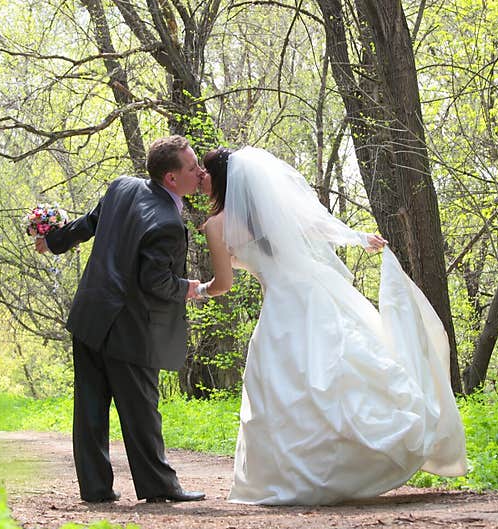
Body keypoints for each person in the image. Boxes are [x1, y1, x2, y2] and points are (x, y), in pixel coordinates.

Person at [194, 146, 467, 505]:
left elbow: (223, 284)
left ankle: (294, 475)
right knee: (339, 370)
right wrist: (358, 237)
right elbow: (316, 227)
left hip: (281, 304)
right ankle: (364, 450)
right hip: (315, 292)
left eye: (205, 172)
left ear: (222, 180)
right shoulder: (270, 213)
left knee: (285, 385)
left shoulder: (216, 226)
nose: (201, 177)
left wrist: (195, 290)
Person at [35, 135, 206, 504]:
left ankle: (96, 490)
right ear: (171, 179)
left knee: (90, 408)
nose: (200, 172)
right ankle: (159, 485)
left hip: (89, 314)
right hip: (129, 328)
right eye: (192, 167)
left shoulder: (121, 187)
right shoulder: (168, 223)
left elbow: (89, 223)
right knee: (141, 408)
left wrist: (53, 242)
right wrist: (190, 288)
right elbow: (155, 281)